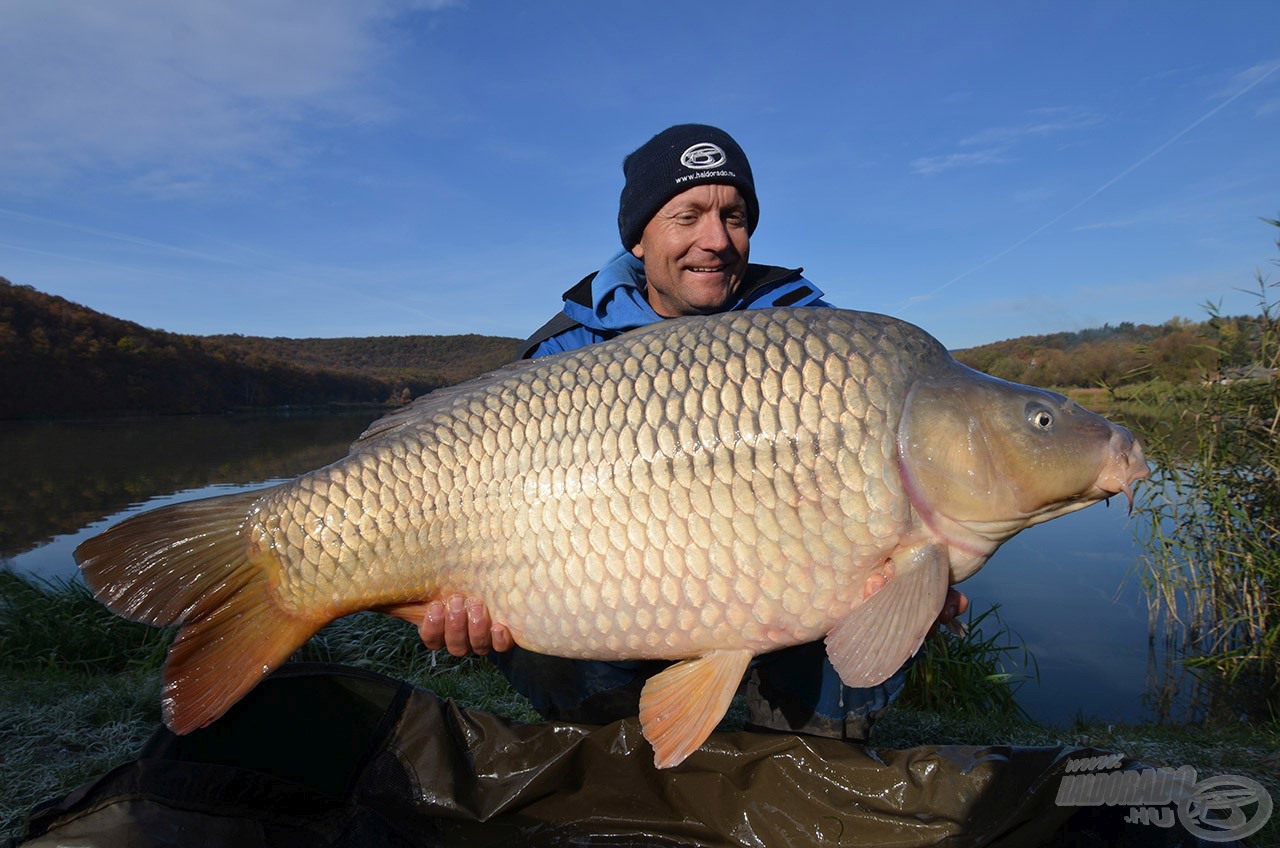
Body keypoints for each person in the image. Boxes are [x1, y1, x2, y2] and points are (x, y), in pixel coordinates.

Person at [417, 124, 968, 741]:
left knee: (844, 677)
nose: (716, 241)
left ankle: (810, 769)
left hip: (791, 603)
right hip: (605, 604)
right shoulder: (560, 353)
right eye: (688, 216)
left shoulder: (814, 339)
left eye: (734, 217)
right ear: (639, 237)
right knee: (540, 648)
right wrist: (463, 608)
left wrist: (915, 585)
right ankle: (617, 765)